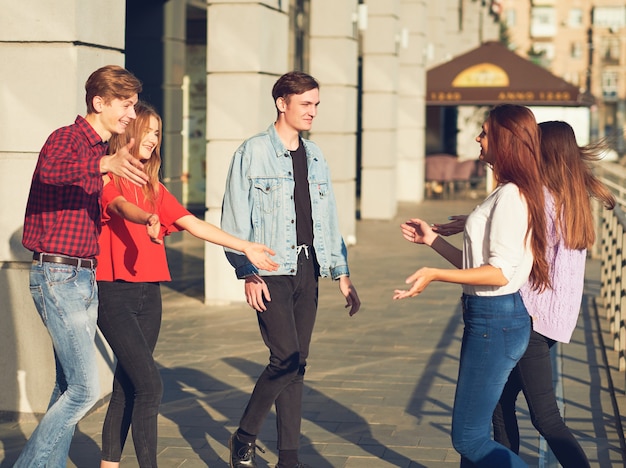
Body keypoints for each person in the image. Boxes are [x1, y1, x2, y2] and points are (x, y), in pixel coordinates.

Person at [96, 101, 280, 468]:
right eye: (146, 131)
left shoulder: (155, 188)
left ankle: (108, 465)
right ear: (127, 134)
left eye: (157, 133)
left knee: (127, 386)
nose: (152, 139)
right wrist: (147, 217)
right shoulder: (105, 179)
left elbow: (193, 224)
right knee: (150, 386)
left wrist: (244, 246)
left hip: (150, 295)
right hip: (113, 292)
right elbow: (118, 207)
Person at [432, 121, 616, 467]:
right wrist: (473, 220)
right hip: (551, 318)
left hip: (531, 317)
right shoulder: (571, 195)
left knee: (544, 416)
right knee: (502, 405)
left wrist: (474, 220)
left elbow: (516, 243)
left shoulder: (542, 197)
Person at [393, 104, 550, 467]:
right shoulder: (509, 191)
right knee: (474, 435)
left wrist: (434, 273)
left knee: (469, 437)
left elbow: (499, 273)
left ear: (504, 140)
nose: (477, 138)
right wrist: (432, 240)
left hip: (495, 321)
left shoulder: (512, 196)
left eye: (484, 132)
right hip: (489, 318)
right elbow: (478, 268)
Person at [220, 71, 361, 468]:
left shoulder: (315, 156)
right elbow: (233, 220)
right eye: (306, 104)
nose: (313, 112)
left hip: (308, 267)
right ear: (282, 103)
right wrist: (247, 271)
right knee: (285, 358)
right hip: (269, 268)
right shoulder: (252, 152)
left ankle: (290, 459)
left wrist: (341, 273)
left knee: (297, 364)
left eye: (316, 104)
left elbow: (328, 218)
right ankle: (245, 435)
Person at [17, 65, 147, 467]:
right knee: (87, 390)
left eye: (133, 106)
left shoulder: (100, 151)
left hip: (82, 276)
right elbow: (50, 173)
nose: (130, 114)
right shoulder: (67, 138)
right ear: (99, 102)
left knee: (67, 385)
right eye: (125, 105)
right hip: (59, 275)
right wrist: (103, 167)